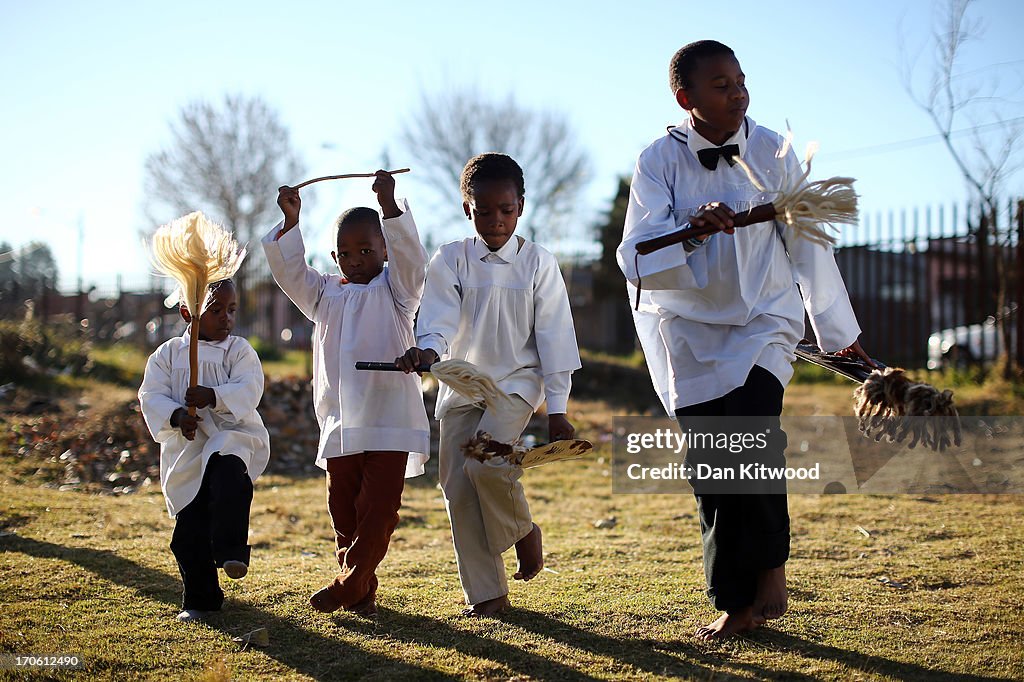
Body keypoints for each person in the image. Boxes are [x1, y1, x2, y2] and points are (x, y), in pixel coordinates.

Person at [616, 40, 874, 640]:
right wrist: (689, 232)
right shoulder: (657, 160)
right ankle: (733, 602)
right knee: (712, 464)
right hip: (685, 327)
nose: (737, 93)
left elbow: (808, 239)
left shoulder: (773, 151)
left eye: (740, 81)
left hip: (765, 319)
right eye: (720, 85)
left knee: (751, 437)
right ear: (686, 98)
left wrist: (838, 332)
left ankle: (771, 571)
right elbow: (635, 253)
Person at [397, 153, 581, 617]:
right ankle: (488, 597)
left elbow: (556, 337)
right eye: (483, 210)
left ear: (521, 206)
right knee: (457, 485)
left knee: (485, 463)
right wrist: (429, 352)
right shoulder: (452, 258)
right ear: (467, 208)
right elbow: (436, 320)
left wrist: (556, 407)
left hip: (516, 385)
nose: (495, 220)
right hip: (462, 384)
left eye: (506, 210)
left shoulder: (538, 263)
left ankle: (522, 530)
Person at [263, 171, 430, 617]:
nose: (357, 260)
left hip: (390, 419)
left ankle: (351, 581)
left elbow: (414, 262)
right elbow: (290, 270)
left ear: (384, 251)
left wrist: (390, 205)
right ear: (334, 256)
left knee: (378, 511)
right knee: (343, 509)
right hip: (340, 420)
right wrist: (292, 221)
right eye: (348, 253)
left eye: (367, 250)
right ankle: (362, 591)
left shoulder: (397, 291)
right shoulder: (324, 296)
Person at [139, 279, 270, 623]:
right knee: (187, 533)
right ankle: (201, 599)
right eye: (215, 310)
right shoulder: (167, 355)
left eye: (231, 309)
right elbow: (150, 395)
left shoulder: (238, 350)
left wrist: (213, 396)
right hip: (189, 449)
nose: (226, 318)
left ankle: (231, 549)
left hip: (232, 435)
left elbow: (250, 386)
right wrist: (178, 415)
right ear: (188, 312)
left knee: (228, 473)